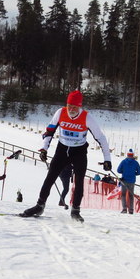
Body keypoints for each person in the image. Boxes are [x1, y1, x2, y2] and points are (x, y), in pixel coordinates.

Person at [21, 90, 111, 222]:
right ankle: (39, 205)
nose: (71, 109)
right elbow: (49, 131)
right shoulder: (60, 112)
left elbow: (101, 138)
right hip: (62, 150)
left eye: (74, 107)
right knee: (50, 177)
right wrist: (44, 149)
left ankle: (75, 211)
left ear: (80, 106)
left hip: (79, 152)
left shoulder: (87, 118)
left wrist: (107, 159)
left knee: (79, 181)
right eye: (69, 106)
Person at [117, 149, 140, 214]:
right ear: (133, 155)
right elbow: (139, 172)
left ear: (127, 155)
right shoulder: (136, 163)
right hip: (132, 181)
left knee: (123, 195)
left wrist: (124, 172)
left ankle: (124, 209)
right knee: (131, 195)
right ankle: (131, 210)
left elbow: (118, 170)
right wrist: (133, 174)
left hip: (124, 180)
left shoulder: (123, 161)